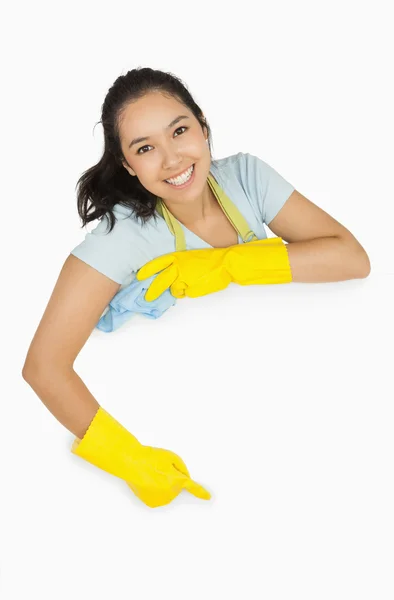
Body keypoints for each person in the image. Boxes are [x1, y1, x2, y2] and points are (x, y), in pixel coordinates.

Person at [22, 67, 370, 509]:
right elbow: (43, 366)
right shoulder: (122, 237)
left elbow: (352, 258)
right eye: (145, 148)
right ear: (128, 165)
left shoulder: (245, 178)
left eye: (179, 131)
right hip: (170, 410)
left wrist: (223, 264)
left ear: (203, 127)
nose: (172, 160)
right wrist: (128, 460)